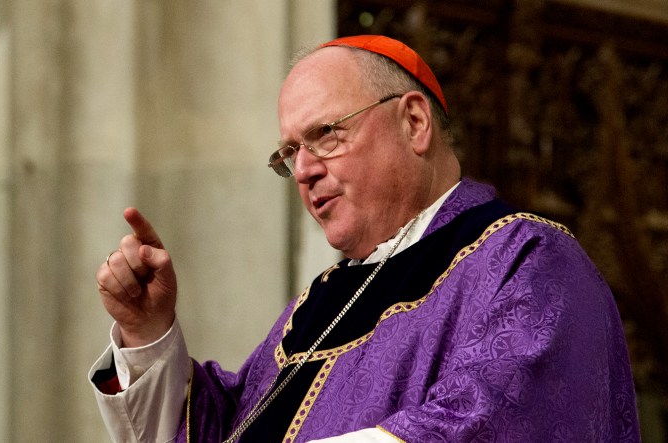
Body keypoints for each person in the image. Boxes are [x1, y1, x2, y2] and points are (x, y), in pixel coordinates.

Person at [89, 35, 640, 442]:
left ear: (415, 123)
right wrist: (147, 332)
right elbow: (231, 428)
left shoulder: (526, 261)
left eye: (325, 135)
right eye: (289, 153)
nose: (303, 170)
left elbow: (494, 422)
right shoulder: (322, 301)